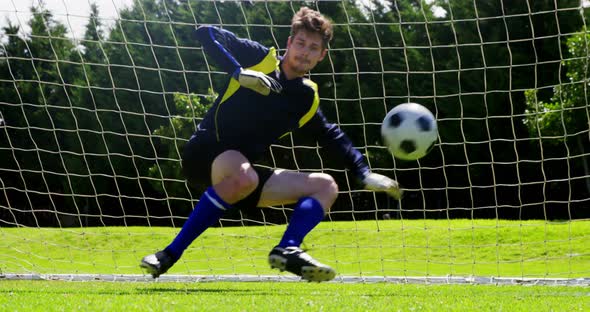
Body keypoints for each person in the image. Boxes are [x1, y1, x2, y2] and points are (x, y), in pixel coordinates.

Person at [140, 7, 401, 282]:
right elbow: (206, 33)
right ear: (288, 44)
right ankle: (168, 254)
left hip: (244, 178)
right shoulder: (259, 58)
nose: (304, 52)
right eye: (300, 43)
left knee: (325, 186)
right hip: (202, 155)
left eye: (313, 48)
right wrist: (239, 73)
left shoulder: (305, 98)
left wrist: (363, 172)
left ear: (322, 55)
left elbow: (330, 136)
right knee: (244, 175)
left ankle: (287, 248)